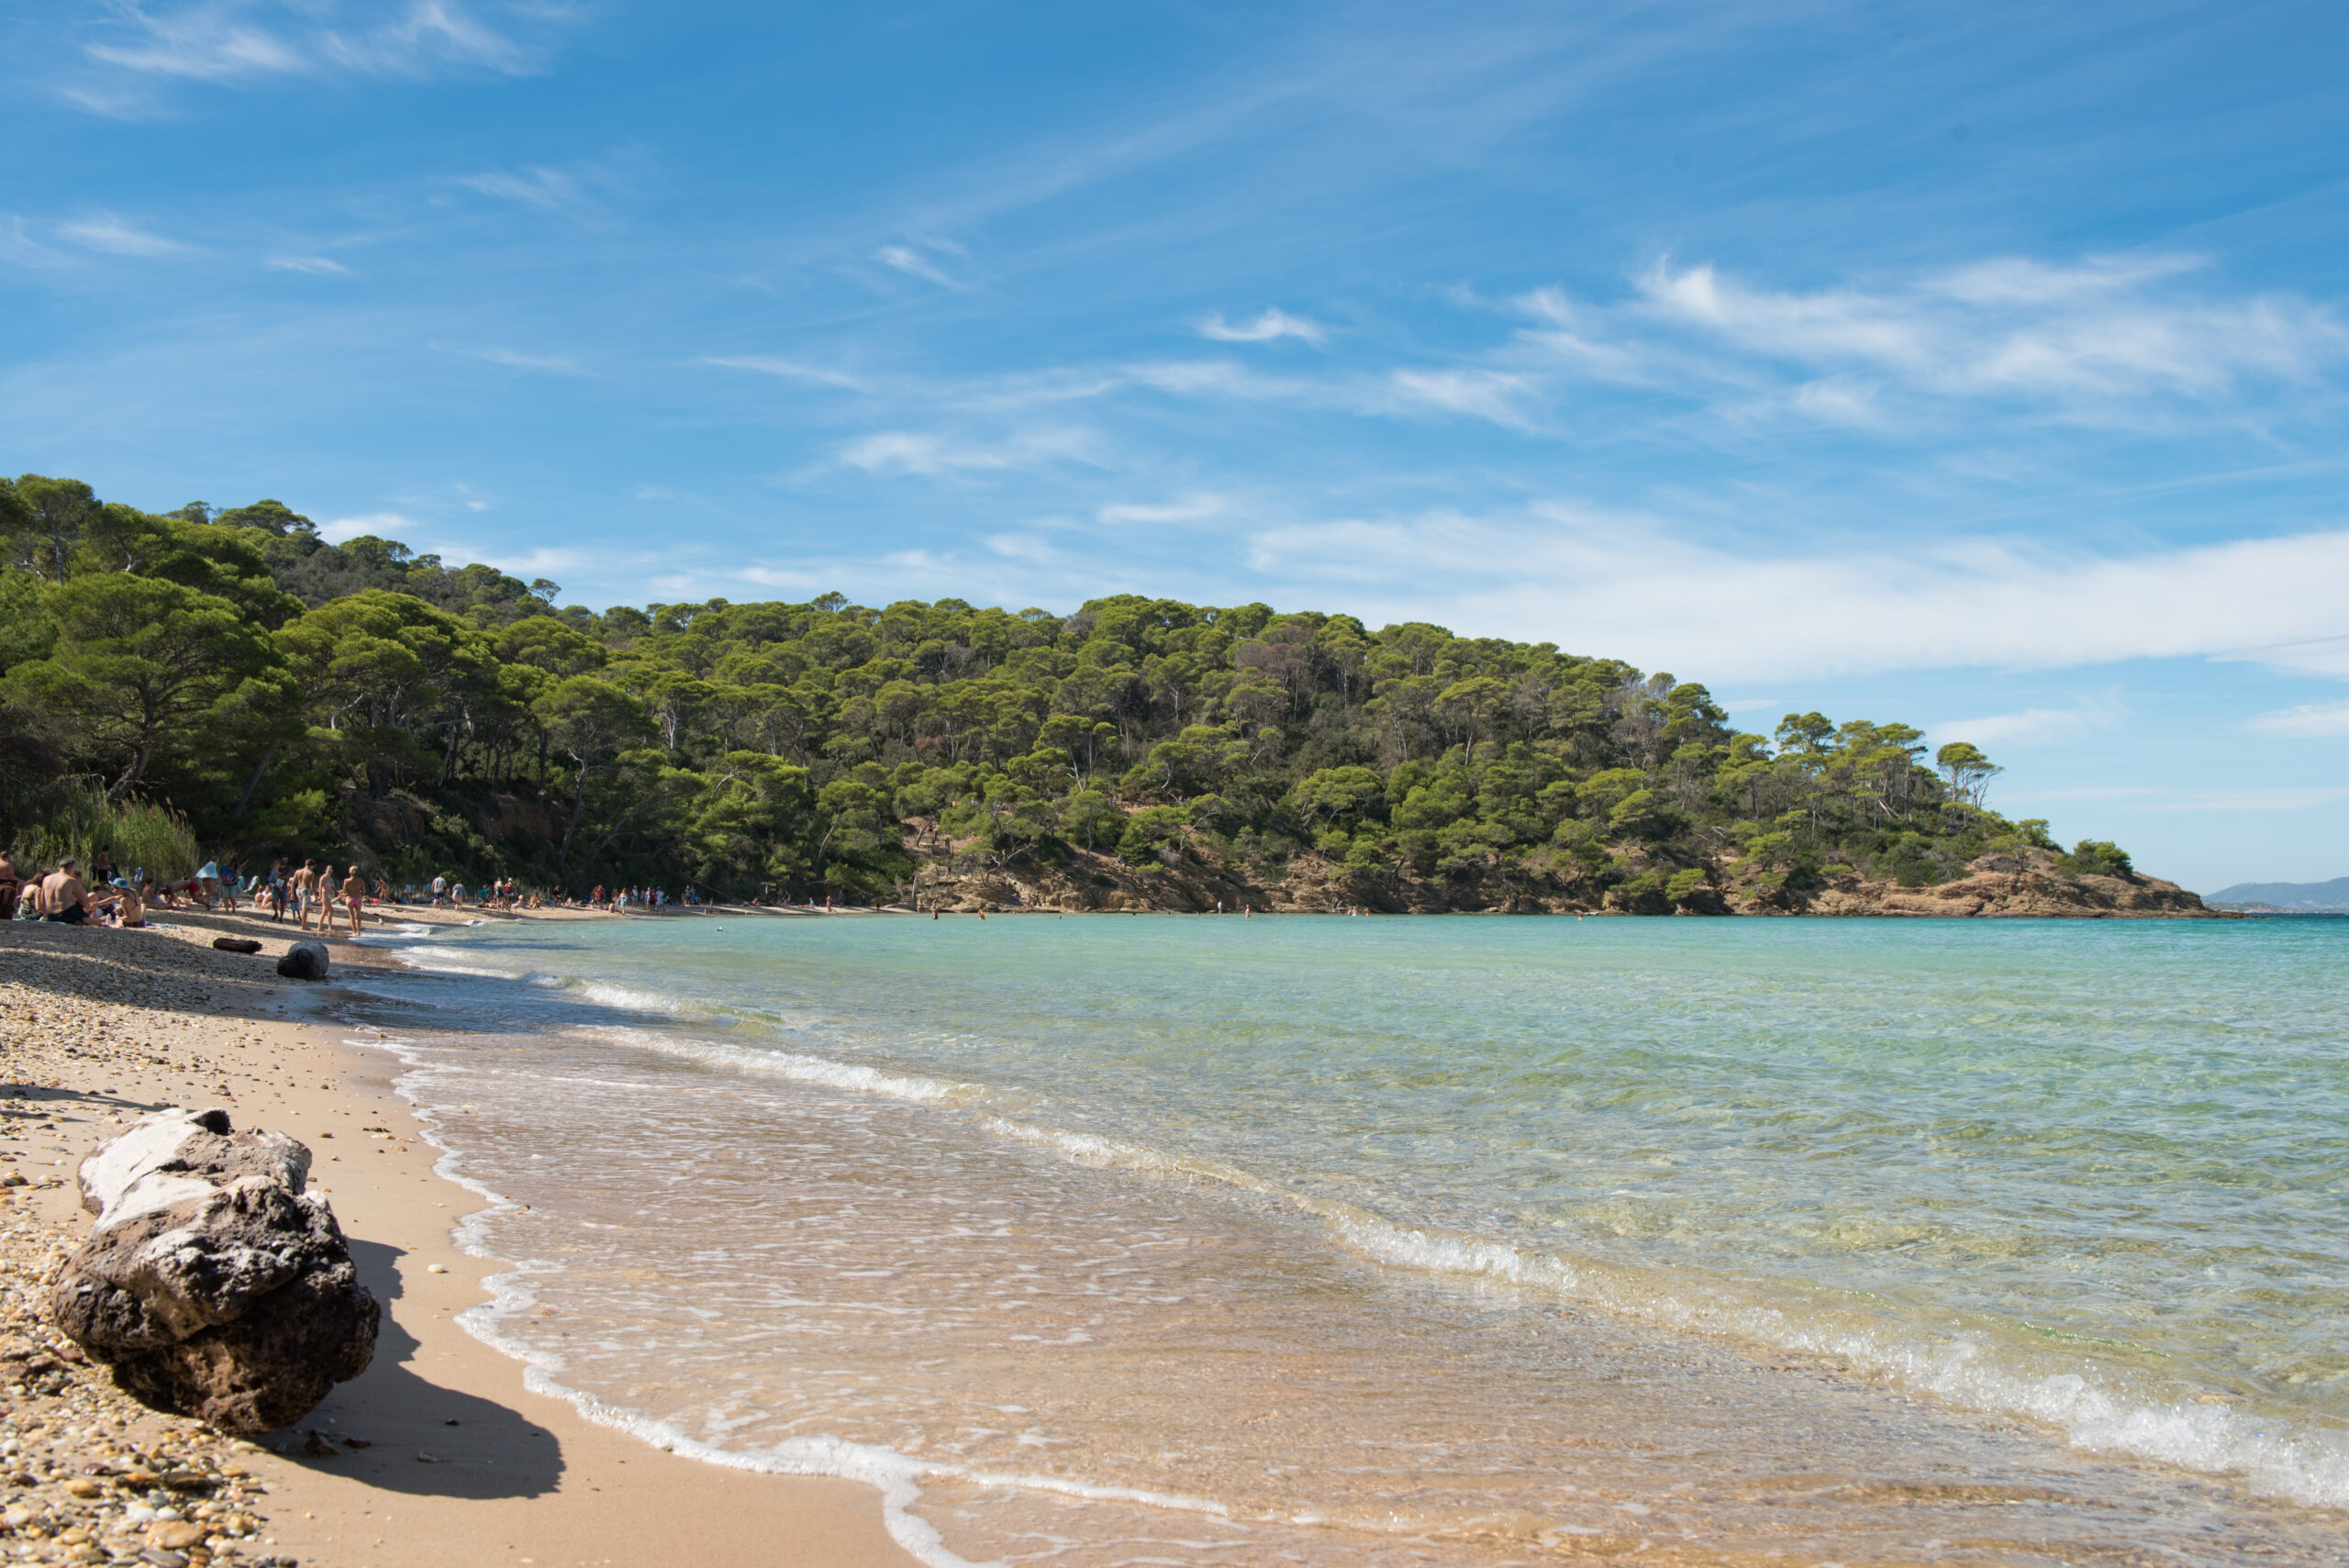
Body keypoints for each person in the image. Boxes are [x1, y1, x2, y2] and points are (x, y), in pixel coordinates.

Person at [39, 860, 89, 925]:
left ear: (59, 867)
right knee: (88, 919)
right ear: (71, 868)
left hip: (50, 915)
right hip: (66, 914)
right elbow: (85, 903)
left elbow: (42, 901)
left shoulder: (46, 879)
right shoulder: (71, 881)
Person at [345, 864, 367, 936]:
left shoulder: (346, 881)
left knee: (352, 916)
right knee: (358, 916)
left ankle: (354, 932)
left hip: (350, 899)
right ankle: (358, 932)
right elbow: (364, 891)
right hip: (358, 899)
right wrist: (360, 893)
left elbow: (345, 891)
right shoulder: (361, 881)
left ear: (350, 872)